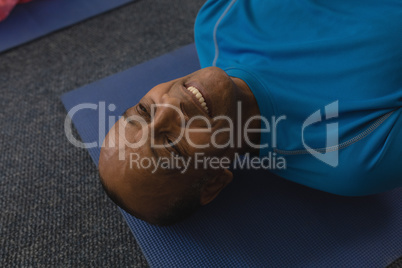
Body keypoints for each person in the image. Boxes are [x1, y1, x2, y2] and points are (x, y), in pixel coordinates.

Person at [98, 0, 402, 226]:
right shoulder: (353, 152)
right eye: (171, 145)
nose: (167, 110)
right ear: (214, 181)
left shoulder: (218, 18)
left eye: (144, 110)